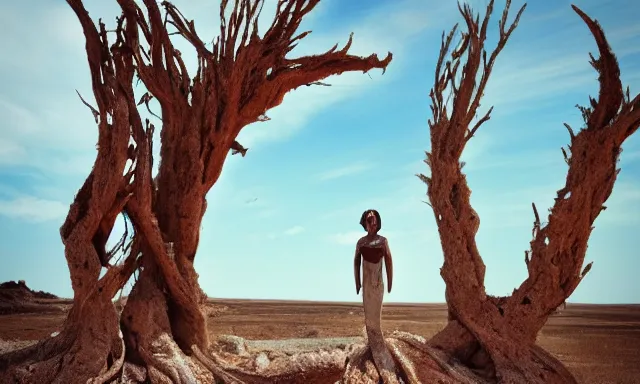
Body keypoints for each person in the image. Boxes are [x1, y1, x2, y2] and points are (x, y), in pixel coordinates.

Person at [354, 209, 398, 382]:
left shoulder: (383, 241)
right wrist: (357, 282)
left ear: (378, 222)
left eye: (374, 220)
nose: (372, 223)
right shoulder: (361, 242)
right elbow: (356, 261)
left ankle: (381, 355)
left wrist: (391, 281)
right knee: (368, 320)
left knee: (375, 319)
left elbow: (389, 261)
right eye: (368, 220)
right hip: (366, 286)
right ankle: (371, 351)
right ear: (364, 223)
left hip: (377, 284)